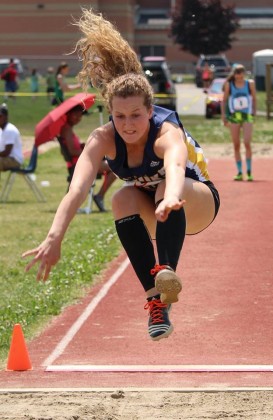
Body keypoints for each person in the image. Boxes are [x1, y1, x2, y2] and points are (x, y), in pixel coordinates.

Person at [22, 9, 220, 341]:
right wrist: (54, 237)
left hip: (192, 201)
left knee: (164, 191)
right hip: (154, 209)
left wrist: (171, 195)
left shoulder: (165, 131)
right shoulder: (103, 140)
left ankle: (167, 269)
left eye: (136, 116)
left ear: (150, 110)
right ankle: (156, 301)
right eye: (119, 116)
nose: (128, 124)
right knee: (120, 198)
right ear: (109, 112)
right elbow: (77, 190)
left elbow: (173, 165)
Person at [58, 104, 116, 211]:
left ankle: (100, 196)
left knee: (112, 166)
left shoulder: (68, 129)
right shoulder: (66, 130)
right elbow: (71, 151)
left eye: (80, 116)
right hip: (81, 163)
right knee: (115, 168)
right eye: (76, 115)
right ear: (69, 114)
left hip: (79, 161)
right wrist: (88, 151)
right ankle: (100, 196)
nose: (78, 118)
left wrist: (84, 147)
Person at [221, 64, 257, 181]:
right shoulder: (229, 85)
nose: (239, 76)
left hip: (247, 116)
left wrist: (254, 112)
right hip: (234, 116)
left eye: (241, 73)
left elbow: (254, 98)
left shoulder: (249, 84)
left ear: (244, 74)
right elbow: (224, 100)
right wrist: (224, 116)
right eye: (237, 73)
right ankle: (240, 172)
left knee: (247, 142)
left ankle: (249, 171)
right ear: (234, 74)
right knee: (236, 145)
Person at [0, 103, 24, 172]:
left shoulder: (9, 130)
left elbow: (6, 152)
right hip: (8, 158)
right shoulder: (2, 130)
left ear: (6, 117)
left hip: (14, 160)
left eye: (0, 116)